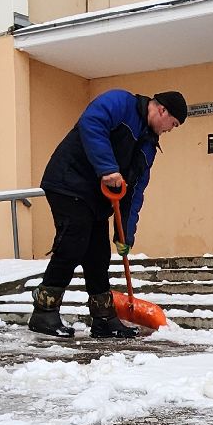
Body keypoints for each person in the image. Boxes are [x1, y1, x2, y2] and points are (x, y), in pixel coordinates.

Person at [29, 89, 187, 339]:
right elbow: (91, 123)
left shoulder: (148, 145)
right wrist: (107, 168)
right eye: (173, 124)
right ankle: (44, 312)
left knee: (98, 255)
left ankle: (103, 318)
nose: (170, 129)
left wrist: (125, 233)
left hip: (96, 197)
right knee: (73, 243)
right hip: (68, 182)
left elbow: (134, 191)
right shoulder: (120, 102)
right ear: (162, 110)